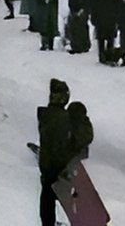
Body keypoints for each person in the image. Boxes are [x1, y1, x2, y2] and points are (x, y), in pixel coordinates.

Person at [36, 78, 86, 226]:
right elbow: (82, 139)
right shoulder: (64, 119)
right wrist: (81, 118)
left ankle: (48, 223)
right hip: (62, 167)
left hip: (47, 165)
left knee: (47, 198)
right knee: (74, 198)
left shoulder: (47, 115)